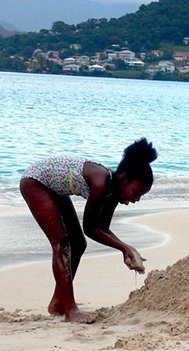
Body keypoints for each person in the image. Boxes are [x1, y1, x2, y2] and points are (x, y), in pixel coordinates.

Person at [20, 138, 158, 323]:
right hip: (35, 181)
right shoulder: (102, 183)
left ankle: (58, 302)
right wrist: (125, 248)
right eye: (136, 192)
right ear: (124, 179)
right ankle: (70, 311)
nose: (136, 199)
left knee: (78, 243)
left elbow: (102, 229)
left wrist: (127, 248)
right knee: (62, 243)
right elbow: (89, 227)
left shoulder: (113, 194)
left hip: (57, 189)